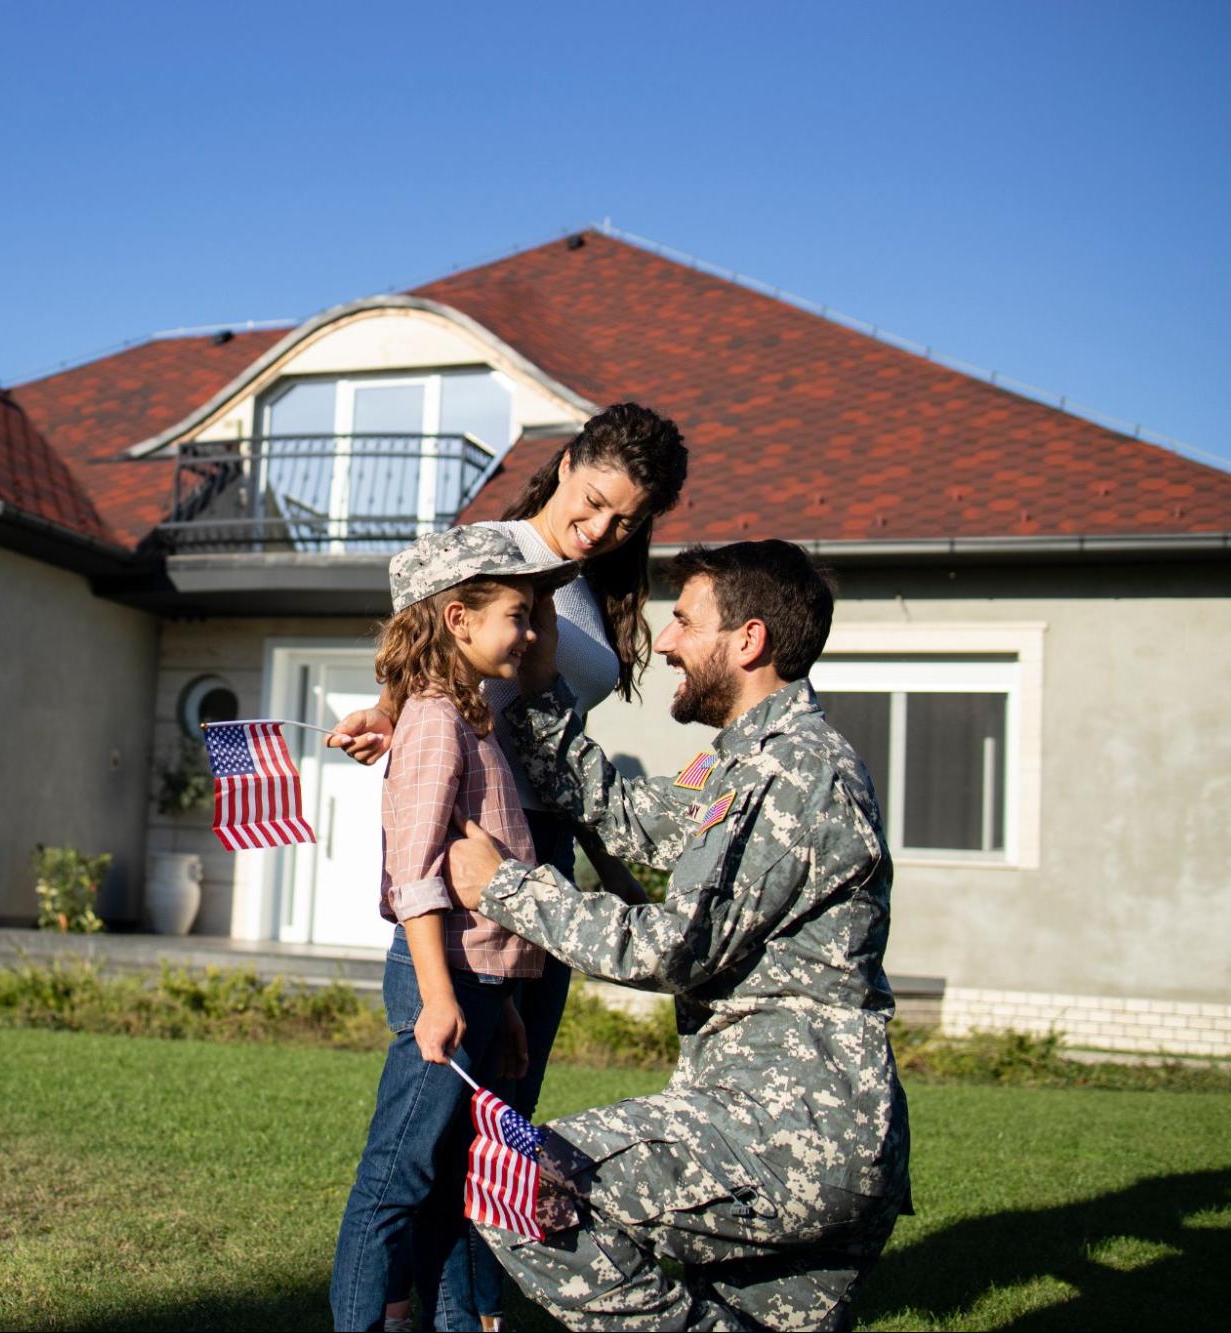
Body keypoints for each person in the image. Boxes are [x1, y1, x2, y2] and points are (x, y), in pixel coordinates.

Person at [442, 539, 912, 1331]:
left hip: (787, 1134)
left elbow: (667, 946)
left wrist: (503, 888)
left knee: (517, 1178)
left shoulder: (792, 774)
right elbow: (625, 816)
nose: (663, 642)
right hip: (788, 1130)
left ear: (748, 641)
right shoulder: (745, 765)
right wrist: (539, 682)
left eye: (685, 622)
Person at [333, 402, 690, 1330]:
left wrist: (614, 866)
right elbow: (415, 675)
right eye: (597, 500)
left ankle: (471, 1311)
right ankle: (407, 1298)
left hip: (542, 856)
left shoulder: (590, 593)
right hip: (462, 851)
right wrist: (386, 716)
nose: (605, 527)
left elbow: (563, 746)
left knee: (504, 1114)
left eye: (628, 520)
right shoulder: (481, 557)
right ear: (566, 462)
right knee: (431, 1120)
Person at [329, 525, 573, 1333]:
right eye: (518, 614)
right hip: (444, 981)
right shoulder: (433, 721)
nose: (531, 633)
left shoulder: (468, 719)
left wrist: (500, 999)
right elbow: (417, 871)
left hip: (476, 983)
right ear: (459, 618)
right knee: (395, 1175)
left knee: (446, 1176)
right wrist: (441, 997)